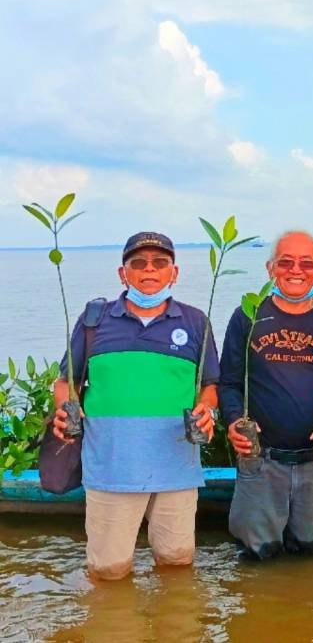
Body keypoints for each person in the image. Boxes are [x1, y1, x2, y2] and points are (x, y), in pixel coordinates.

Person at [52, 231, 219, 580]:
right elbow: (66, 382)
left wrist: (207, 411)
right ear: (122, 273)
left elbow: (209, 385)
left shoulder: (195, 322)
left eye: (160, 263)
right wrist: (67, 410)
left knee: (177, 567)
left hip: (177, 467)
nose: (149, 270)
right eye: (138, 263)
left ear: (174, 272)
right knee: (108, 572)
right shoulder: (93, 321)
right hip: (111, 468)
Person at [219, 230, 313, 559]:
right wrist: (235, 421)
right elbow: (229, 382)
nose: (296, 270)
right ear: (270, 269)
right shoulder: (248, 316)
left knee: (312, 557)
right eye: (286, 262)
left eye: (307, 263)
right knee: (256, 558)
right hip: (261, 462)